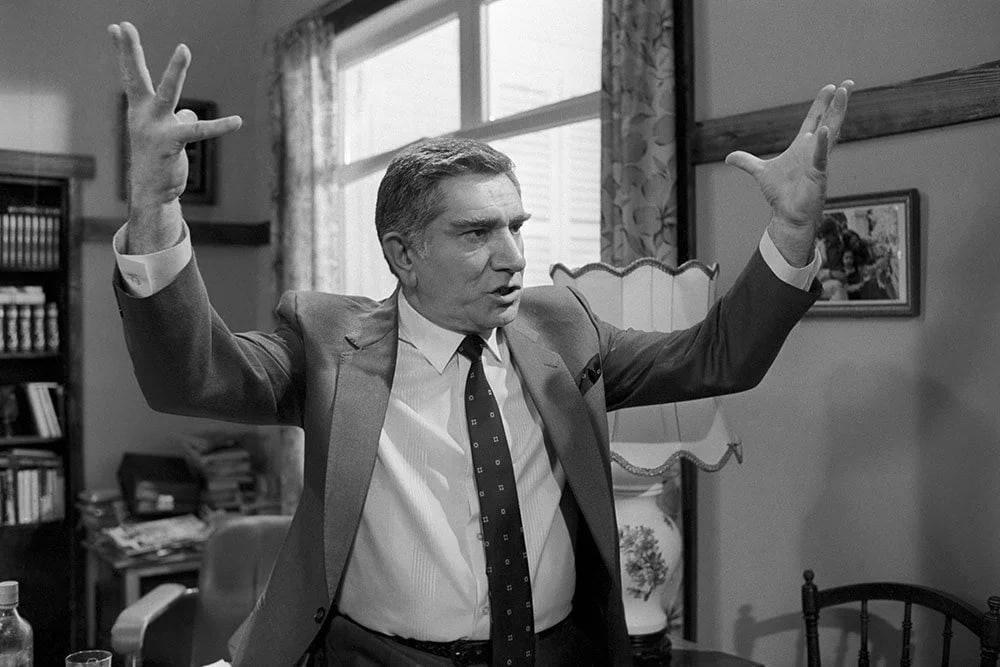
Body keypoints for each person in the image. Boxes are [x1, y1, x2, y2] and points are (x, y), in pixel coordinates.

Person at [107, 21, 852, 667]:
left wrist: (791, 233)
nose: (513, 256)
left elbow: (718, 356)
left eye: (516, 226)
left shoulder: (565, 328)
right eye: (476, 233)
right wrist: (154, 207)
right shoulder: (329, 342)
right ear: (403, 254)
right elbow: (192, 378)